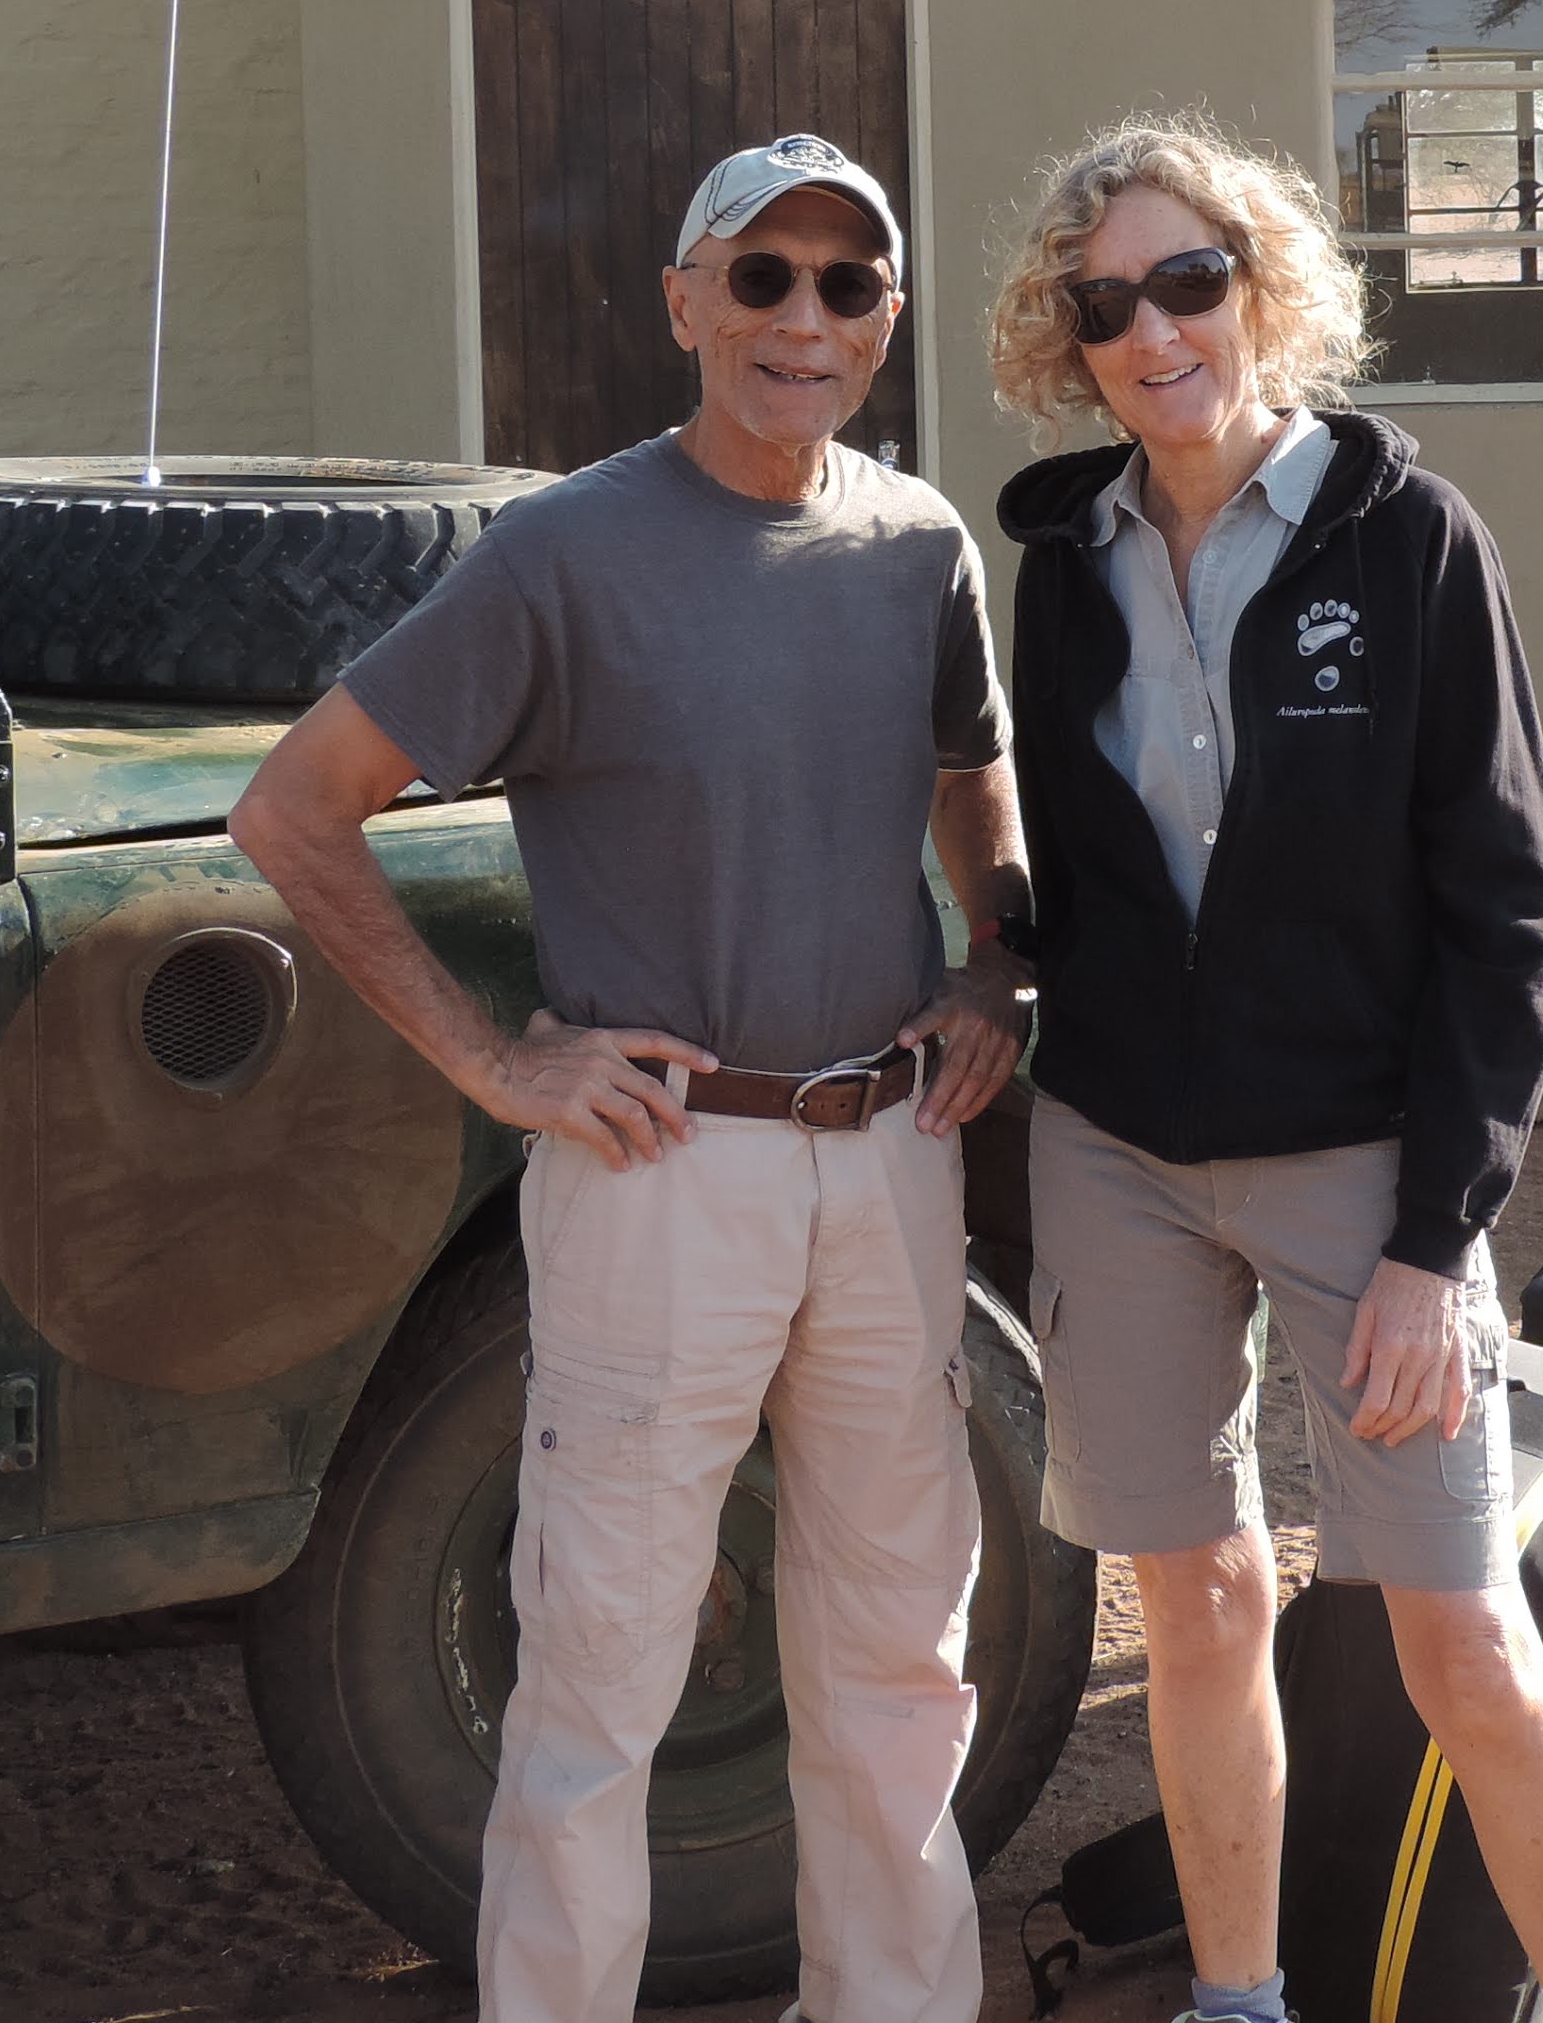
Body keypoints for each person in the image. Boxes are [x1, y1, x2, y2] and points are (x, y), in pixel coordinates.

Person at [233, 132, 1036, 2023]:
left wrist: (998, 964)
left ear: (886, 322)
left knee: (901, 1667)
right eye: (759, 276)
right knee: (597, 1682)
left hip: (892, 1156)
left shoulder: (920, 543)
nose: (802, 318)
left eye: (846, 284)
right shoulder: (564, 555)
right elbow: (297, 810)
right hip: (665, 1173)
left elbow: (973, 768)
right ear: (681, 302)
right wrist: (497, 1056)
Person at [978, 118, 1543, 2023]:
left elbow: (1507, 910)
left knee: (1455, 1637)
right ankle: (1242, 2002)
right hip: (1120, 1156)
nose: (1152, 330)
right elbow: (1091, 885)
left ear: (1260, 287)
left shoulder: (1407, 540)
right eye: (1104, 303)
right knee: (1195, 1601)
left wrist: (1441, 1241)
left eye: (1189, 280)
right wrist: (988, 978)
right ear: (1072, 339)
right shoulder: (1068, 560)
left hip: (1364, 1167)